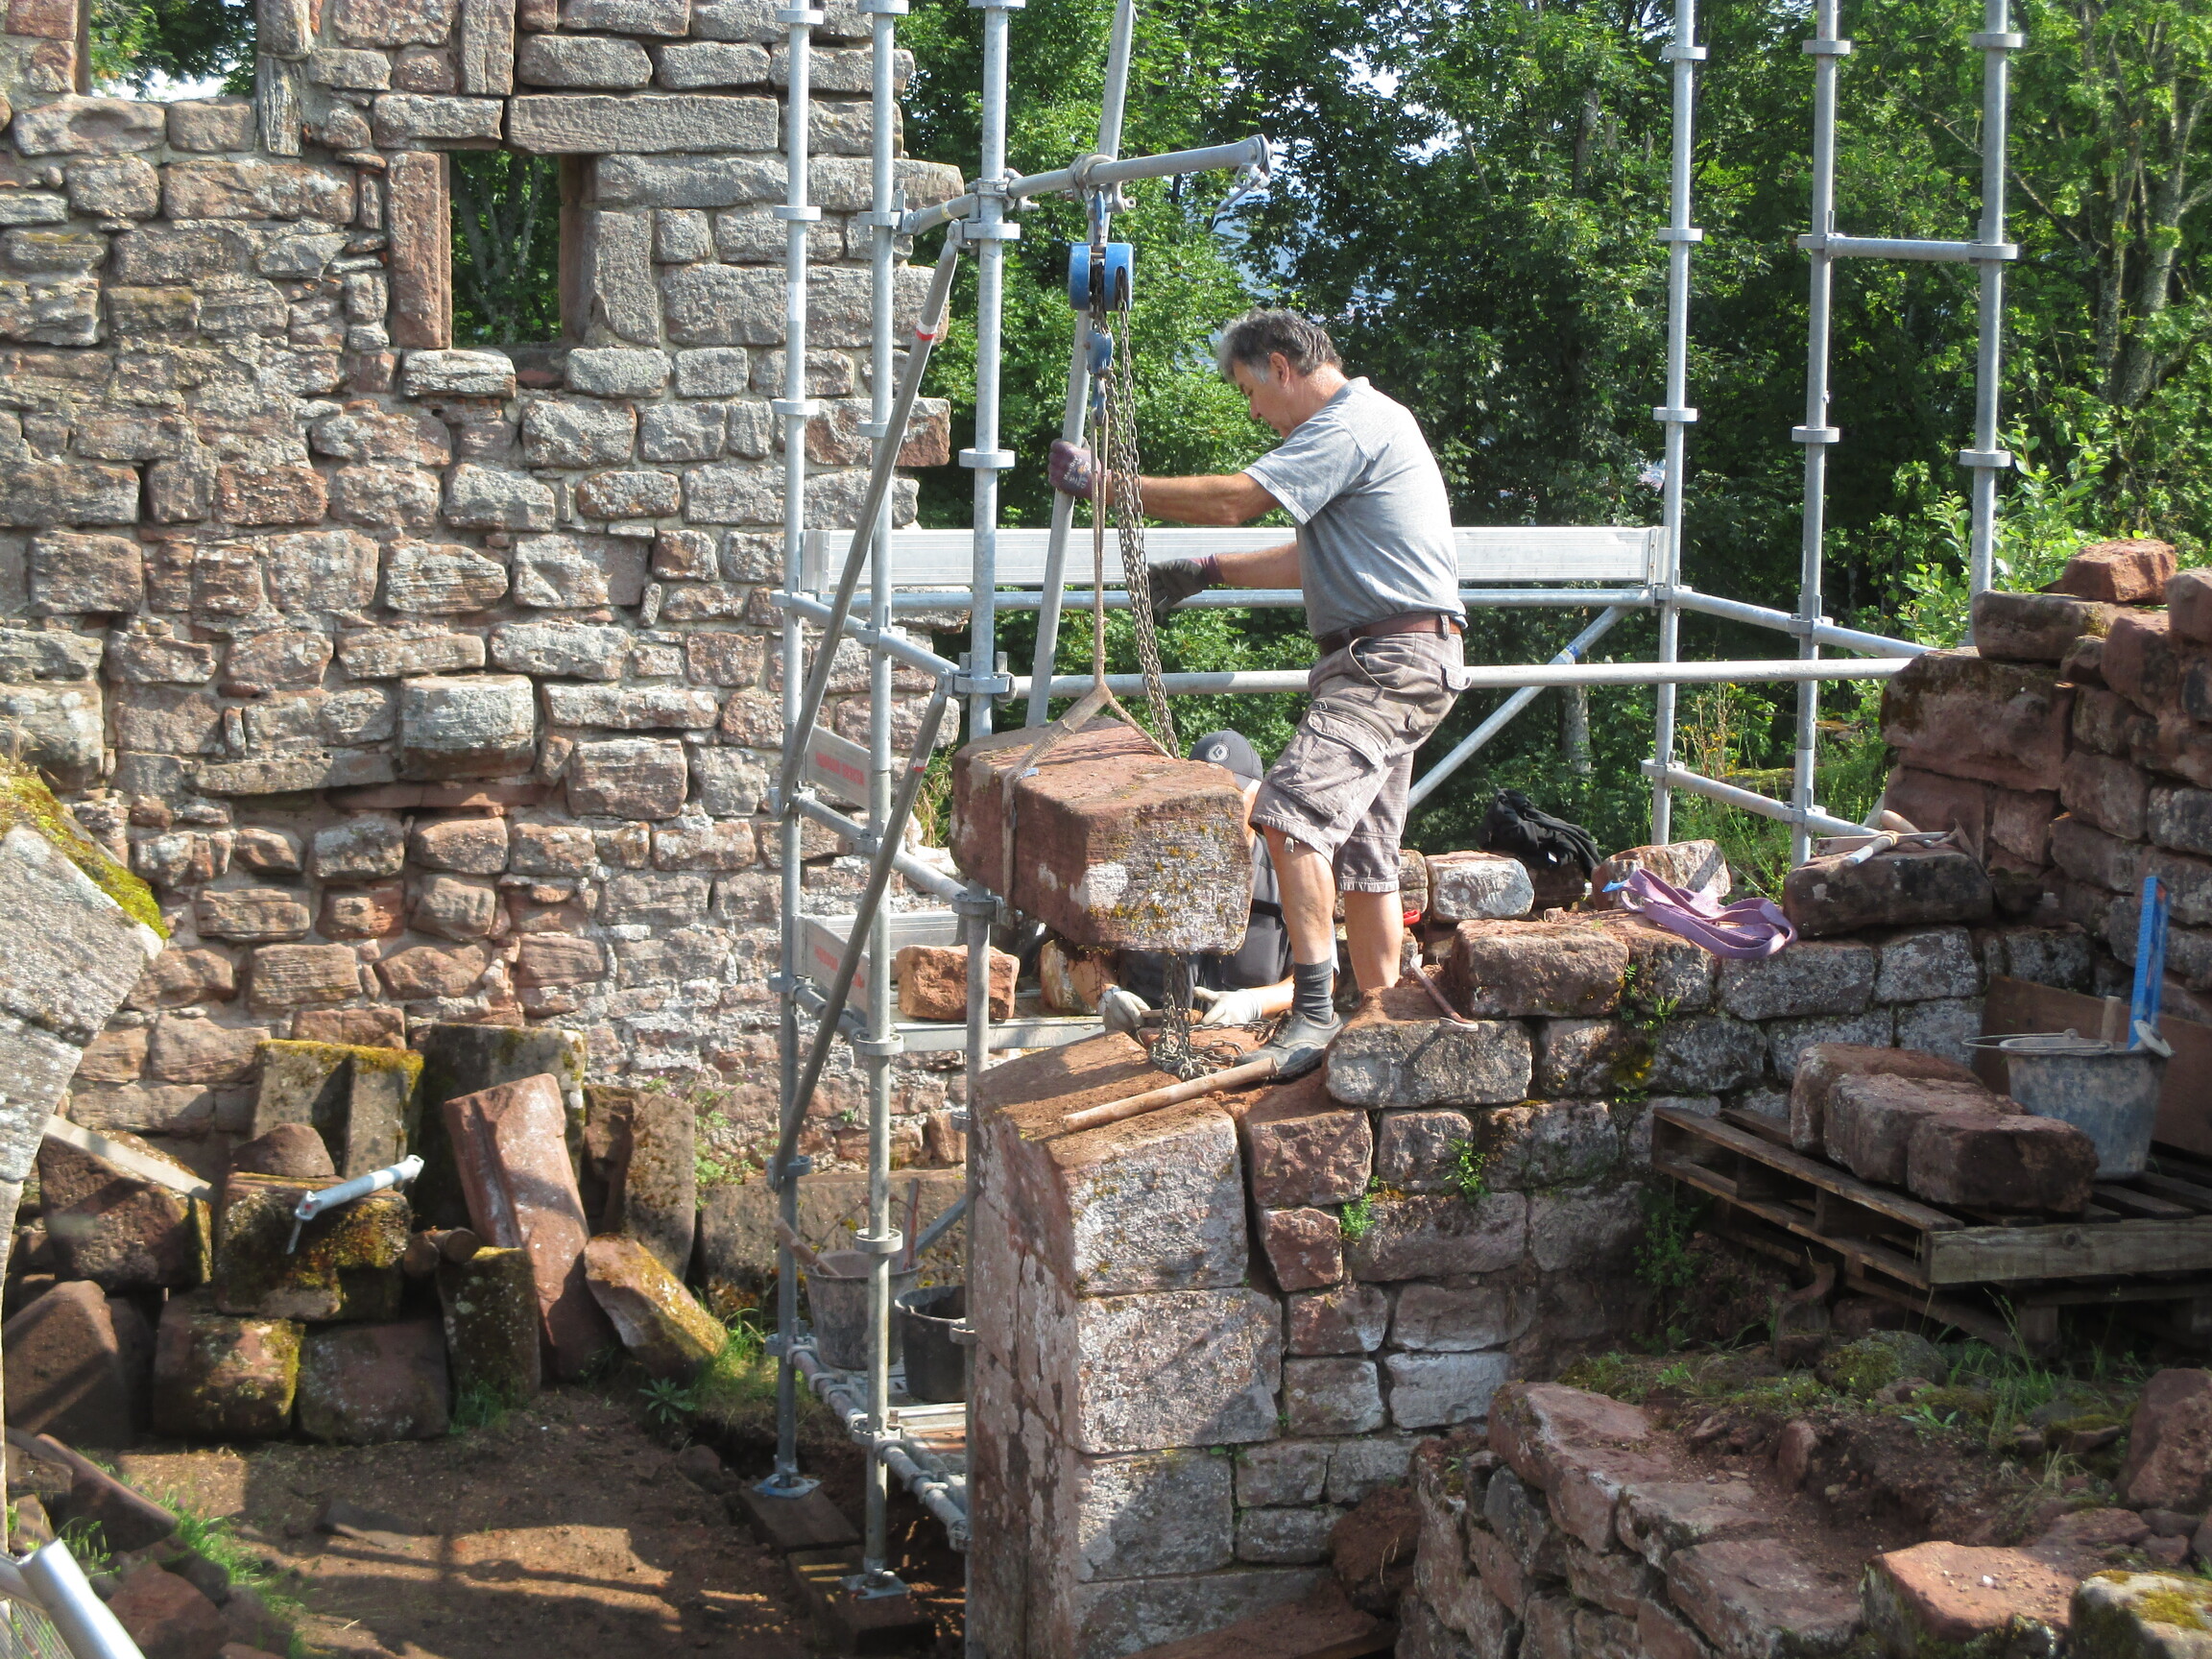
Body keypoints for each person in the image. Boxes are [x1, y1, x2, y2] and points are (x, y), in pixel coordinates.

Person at [1048, 308, 1471, 1077]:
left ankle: (1312, 1015)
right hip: (1397, 657)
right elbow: (1314, 561)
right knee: (1366, 857)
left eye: (1250, 390)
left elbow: (1235, 500)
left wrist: (1104, 485)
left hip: (1387, 662)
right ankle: (1379, 1028)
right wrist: (1209, 571)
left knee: (1288, 815)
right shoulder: (1367, 432)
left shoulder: (1350, 423)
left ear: (1281, 365)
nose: (1253, 412)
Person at [1095, 730, 1295, 1036]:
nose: (1219, 806)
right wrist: (1107, 994)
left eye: (1233, 793)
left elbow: (1317, 978)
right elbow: (1082, 954)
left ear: (1259, 795)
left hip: (1249, 1043)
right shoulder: (1140, 867)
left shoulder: (1287, 876)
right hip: (1146, 1039)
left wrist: (1254, 1002)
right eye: (1206, 793)